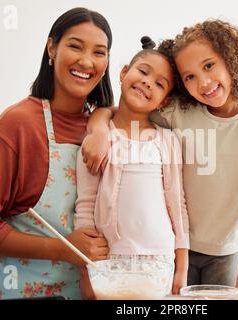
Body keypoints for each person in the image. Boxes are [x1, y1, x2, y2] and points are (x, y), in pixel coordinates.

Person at [81, 19, 238, 290]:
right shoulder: (178, 111)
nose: (203, 82)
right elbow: (125, 111)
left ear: (231, 58)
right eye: (189, 76)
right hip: (177, 249)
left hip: (227, 252)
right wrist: (98, 129)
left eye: (209, 65)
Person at [0, 7, 114, 300]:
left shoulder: (107, 128)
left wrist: (102, 124)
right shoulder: (18, 125)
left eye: (99, 52)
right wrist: (65, 248)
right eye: (75, 46)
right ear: (51, 48)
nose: (87, 61)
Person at [74, 36, 189, 299]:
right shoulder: (98, 139)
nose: (148, 82)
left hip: (159, 260)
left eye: (159, 84)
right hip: (110, 260)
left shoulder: (167, 140)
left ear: (164, 101)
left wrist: (181, 264)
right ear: (124, 72)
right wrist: (85, 267)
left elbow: (177, 205)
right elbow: (85, 204)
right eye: (143, 72)